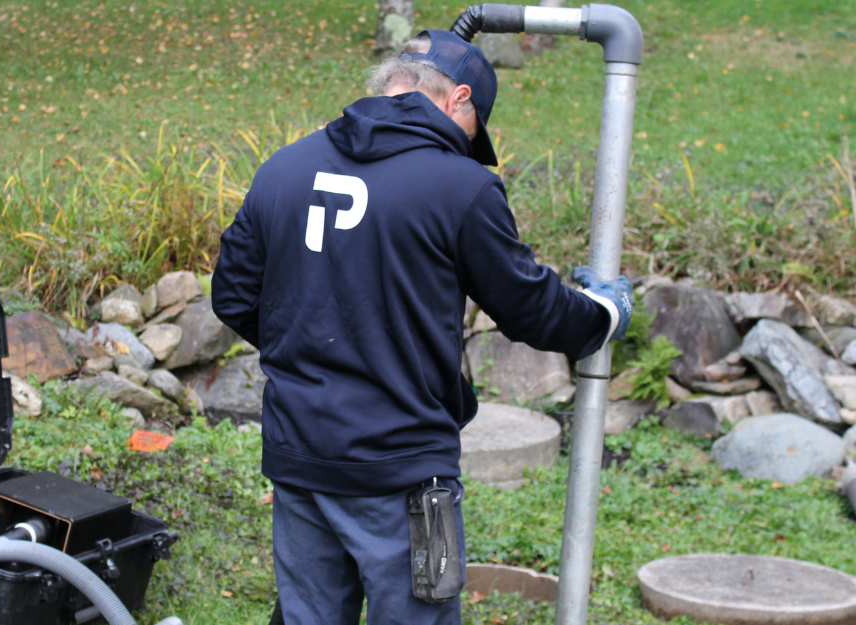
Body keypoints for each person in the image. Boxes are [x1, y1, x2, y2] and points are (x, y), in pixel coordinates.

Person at [211, 30, 633, 625]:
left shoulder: (285, 167)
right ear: (458, 98)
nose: (468, 145)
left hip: (299, 453)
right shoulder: (462, 188)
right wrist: (606, 311)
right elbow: (533, 309)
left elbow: (232, 297)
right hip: (402, 470)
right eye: (472, 129)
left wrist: (311, 344)